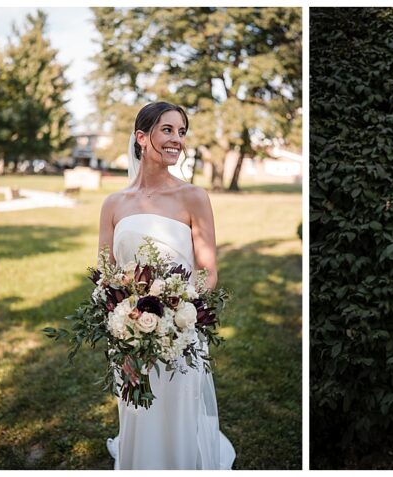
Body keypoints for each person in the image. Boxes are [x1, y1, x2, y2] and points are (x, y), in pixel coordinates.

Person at [98, 102, 236, 469]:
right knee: (138, 412)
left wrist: (177, 313)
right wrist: (123, 329)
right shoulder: (113, 204)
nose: (177, 139)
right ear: (142, 138)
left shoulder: (193, 197)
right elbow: (106, 273)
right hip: (128, 334)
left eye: (182, 131)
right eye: (167, 130)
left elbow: (208, 272)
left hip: (180, 333)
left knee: (177, 416)